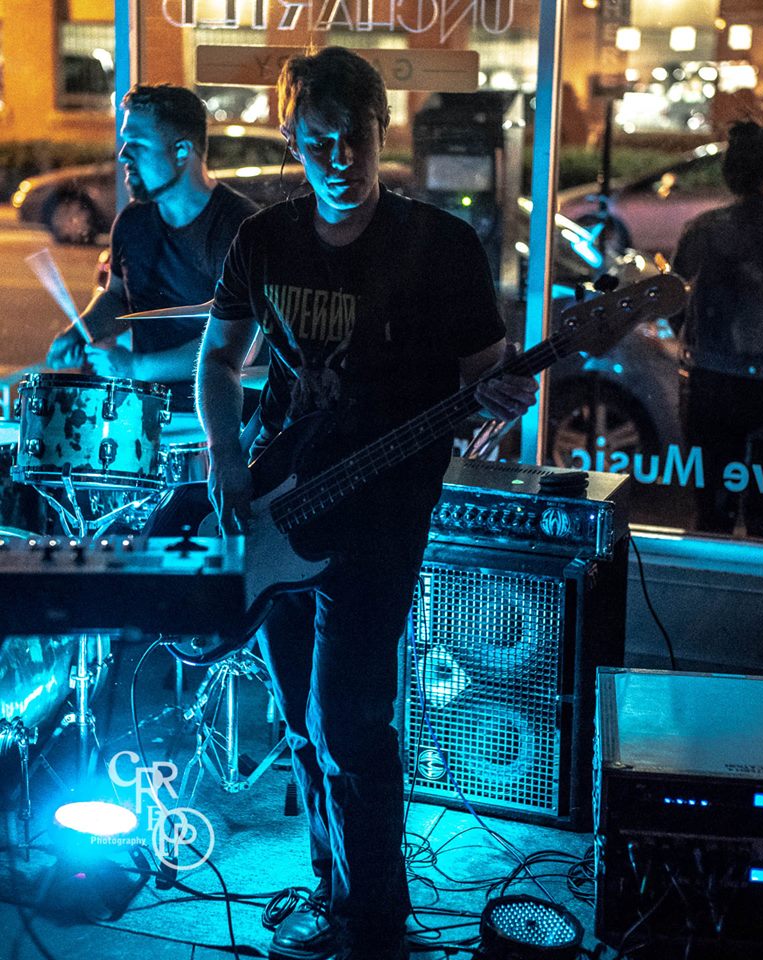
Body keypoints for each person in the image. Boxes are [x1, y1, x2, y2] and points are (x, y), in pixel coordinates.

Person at [196, 47, 537, 960]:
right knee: (303, 728)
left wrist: (498, 410)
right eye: (318, 142)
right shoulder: (263, 241)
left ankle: (375, 924)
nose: (339, 158)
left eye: (356, 139)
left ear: (383, 135)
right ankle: (332, 891)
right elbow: (218, 359)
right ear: (292, 141)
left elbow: (483, 382)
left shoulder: (440, 245)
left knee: (347, 719)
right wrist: (227, 458)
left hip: (381, 517)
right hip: (279, 509)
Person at [46, 83, 258, 413]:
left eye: (138, 145)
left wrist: (136, 367)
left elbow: (241, 345)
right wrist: (80, 331)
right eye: (124, 142)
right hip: (143, 414)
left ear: (182, 151)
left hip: (216, 418)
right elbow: (118, 296)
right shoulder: (132, 222)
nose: (123, 155)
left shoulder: (240, 229)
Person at [672, 120, 763, 537]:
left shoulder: (704, 229)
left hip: (712, 380)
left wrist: (693, 339)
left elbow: (675, 300)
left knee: (712, 508)